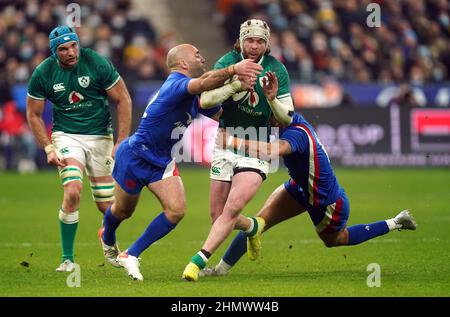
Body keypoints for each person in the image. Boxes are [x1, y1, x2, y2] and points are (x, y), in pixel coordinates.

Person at [200, 71, 418, 277]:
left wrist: (232, 141)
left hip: (327, 202)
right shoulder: (287, 121)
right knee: (257, 224)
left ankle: (395, 222)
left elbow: (270, 151)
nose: (263, 118)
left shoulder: (297, 134)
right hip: (299, 188)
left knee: (336, 240)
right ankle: (220, 270)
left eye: (266, 115)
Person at [100, 43, 263, 281]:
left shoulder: (192, 95)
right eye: (197, 54)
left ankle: (131, 254)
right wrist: (233, 71)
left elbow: (219, 113)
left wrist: (252, 110)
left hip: (162, 161)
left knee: (176, 211)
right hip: (135, 155)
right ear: (184, 63)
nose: (203, 57)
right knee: (123, 211)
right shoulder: (175, 84)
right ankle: (107, 235)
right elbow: (204, 82)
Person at [182, 19, 295, 281]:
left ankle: (197, 262)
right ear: (241, 40)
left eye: (260, 41)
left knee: (232, 206)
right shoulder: (228, 61)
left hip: (257, 144)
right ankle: (254, 226)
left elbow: (288, 117)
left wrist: (271, 99)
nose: (254, 46)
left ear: (266, 44)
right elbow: (205, 100)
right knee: (217, 215)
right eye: (250, 40)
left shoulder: (277, 69)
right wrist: (234, 84)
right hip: (225, 142)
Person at [26, 25, 132, 272]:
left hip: (100, 137)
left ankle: (108, 242)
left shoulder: (96, 62)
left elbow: (123, 98)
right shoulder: (43, 73)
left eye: (74, 45)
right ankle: (67, 259)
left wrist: (122, 141)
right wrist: (48, 147)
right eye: (63, 49)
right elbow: (33, 114)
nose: (71, 52)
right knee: (73, 191)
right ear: (54, 52)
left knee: (108, 206)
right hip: (67, 137)